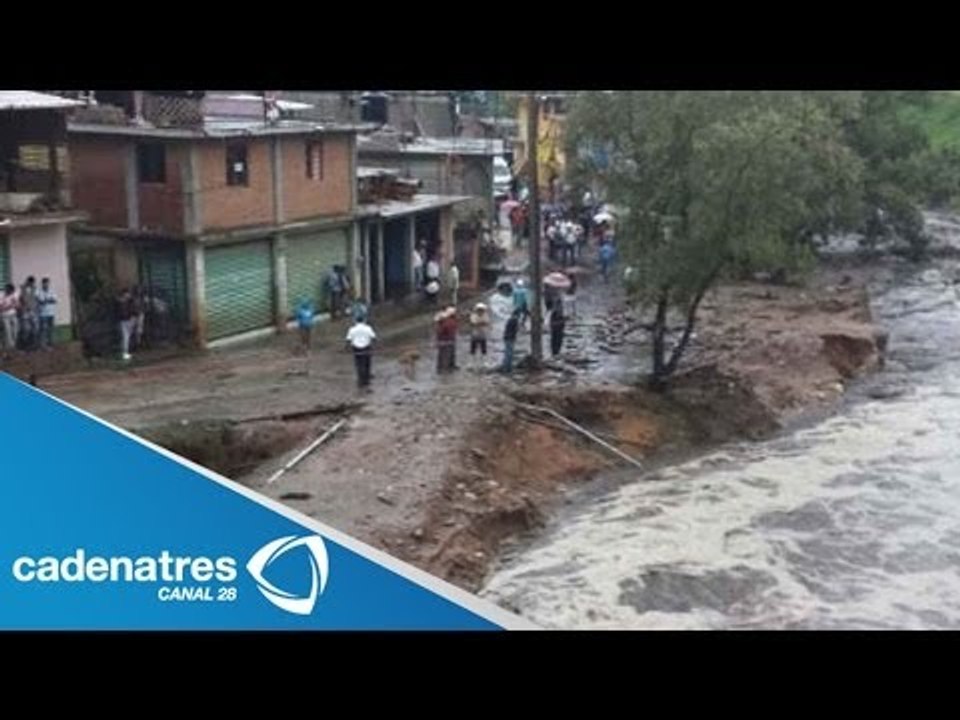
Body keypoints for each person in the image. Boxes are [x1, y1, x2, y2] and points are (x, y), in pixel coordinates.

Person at [345, 316, 376, 389]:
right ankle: (366, 380)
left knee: (359, 364)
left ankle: (360, 380)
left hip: (356, 348)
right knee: (367, 364)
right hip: (367, 347)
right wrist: (374, 346)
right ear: (363, 320)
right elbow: (373, 337)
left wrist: (346, 348)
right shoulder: (368, 328)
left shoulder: (352, 329)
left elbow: (348, 340)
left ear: (355, 321)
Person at [116, 287, 138, 361]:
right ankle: (125, 353)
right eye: (127, 293)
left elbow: (134, 310)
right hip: (125, 320)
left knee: (128, 337)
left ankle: (127, 352)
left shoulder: (129, 301)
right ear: (124, 294)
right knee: (126, 337)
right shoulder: (123, 302)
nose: (128, 295)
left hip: (128, 320)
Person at [35, 277, 57, 349]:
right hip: (43, 314)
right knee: (43, 330)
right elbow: (40, 301)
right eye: (45, 283)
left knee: (50, 329)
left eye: (47, 283)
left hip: (51, 313)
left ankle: (50, 343)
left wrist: (47, 300)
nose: (46, 284)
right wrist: (48, 300)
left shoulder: (52, 291)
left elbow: (54, 300)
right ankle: (43, 345)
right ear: (42, 283)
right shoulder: (38, 291)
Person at [435, 306, 458, 374]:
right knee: (447, 355)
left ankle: (440, 368)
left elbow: (439, 332)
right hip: (448, 341)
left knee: (441, 355)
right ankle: (445, 369)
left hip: (443, 341)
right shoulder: (449, 322)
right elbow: (449, 331)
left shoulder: (442, 323)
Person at [18, 276, 39, 351]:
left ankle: (33, 345)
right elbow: (19, 300)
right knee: (26, 329)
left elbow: (36, 299)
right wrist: (22, 309)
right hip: (25, 312)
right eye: (30, 282)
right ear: (27, 281)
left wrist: (35, 308)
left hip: (33, 311)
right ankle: (24, 346)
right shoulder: (22, 288)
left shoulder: (35, 289)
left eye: (32, 283)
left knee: (35, 329)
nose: (31, 284)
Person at [468, 302, 491, 367]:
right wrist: (481, 323)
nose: (480, 311)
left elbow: (486, 323)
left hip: (483, 335)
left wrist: (480, 323)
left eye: (482, 310)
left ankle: (484, 362)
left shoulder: (486, 315)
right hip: (475, 335)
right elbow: (474, 323)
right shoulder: (473, 315)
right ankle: (471, 363)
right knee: (473, 349)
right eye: (479, 309)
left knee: (484, 349)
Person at [499, 309, 521, 374]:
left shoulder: (510, 320)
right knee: (509, 354)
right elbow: (516, 329)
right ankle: (508, 369)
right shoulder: (515, 320)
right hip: (510, 338)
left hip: (507, 337)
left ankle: (506, 368)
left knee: (507, 353)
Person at [0, 283, 20, 355]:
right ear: (6, 290)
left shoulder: (14, 294)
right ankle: (8, 351)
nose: (11, 293)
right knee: (8, 334)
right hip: (4, 317)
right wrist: (11, 305)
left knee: (15, 331)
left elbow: (18, 305)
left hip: (13, 315)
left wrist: (14, 304)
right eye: (10, 291)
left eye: (12, 292)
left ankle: (11, 348)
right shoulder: (1, 295)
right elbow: (1, 308)